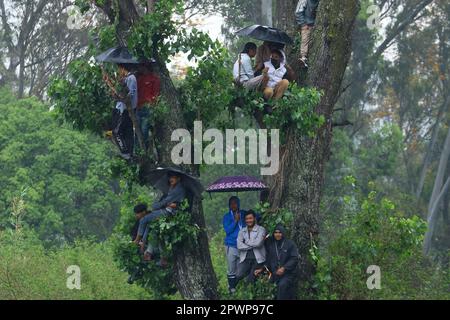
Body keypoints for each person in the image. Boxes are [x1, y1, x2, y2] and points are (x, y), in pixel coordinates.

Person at [133, 172, 186, 247]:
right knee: (149, 223)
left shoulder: (178, 189)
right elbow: (165, 202)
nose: (171, 179)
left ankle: (137, 240)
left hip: (170, 212)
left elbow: (165, 202)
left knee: (143, 220)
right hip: (167, 209)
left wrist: (153, 207)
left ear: (178, 178)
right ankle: (143, 243)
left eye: (173, 177)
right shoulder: (172, 187)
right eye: (170, 177)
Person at [256, 225, 299, 300]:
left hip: (288, 274)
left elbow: (294, 258)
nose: (277, 234)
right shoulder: (272, 245)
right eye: (275, 232)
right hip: (275, 274)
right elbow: (269, 260)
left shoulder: (290, 244)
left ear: (283, 233)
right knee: (265, 286)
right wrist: (262, 269)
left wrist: (284, 268)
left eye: (280, 232)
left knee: (282, 286)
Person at [109, 63, 138, 160]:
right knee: (127, 131)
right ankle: (129, 152)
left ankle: (125, 152)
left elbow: (130, 93)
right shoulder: (126, 78)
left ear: (122, 68)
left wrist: (120, 96)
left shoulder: (131, 78)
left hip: (126, 109)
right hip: (124, 108)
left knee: (117, 132)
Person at [223, 196, 247, 294]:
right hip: (231, 245)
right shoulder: (227, 216)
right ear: (229, 205)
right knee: (231, 269)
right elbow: (228, 230)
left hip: (243, 246)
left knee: (240, 271)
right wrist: (236, 221)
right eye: (231, 203)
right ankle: (232, 290)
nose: (233, 205)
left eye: (235, 203)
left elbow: (253, 217)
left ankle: (232, 285)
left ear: (238, 204)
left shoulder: (244, 213)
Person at [236, 210, 266, 284]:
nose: (249, 220)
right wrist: (252, 244)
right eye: (247, 219)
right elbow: (239, 245)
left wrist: (245, 242)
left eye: (250, 218)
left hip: (258, 259)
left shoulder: (261, 229)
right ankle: (249, 273)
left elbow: (258, 243)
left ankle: (252, 280)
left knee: (250, 281)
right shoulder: (242, 231)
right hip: (245, 258)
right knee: (238, 275)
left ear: (254, 218)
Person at [136, 61, 161, 151]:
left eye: (141, 67)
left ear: (145, 67)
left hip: (148, 108)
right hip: (138, 107)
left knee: (144, 130)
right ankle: (138, 151)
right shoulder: (140, 79)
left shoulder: (155, 79)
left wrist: (152, 106)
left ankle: (144, 151)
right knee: (137, 131)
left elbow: (156, 94)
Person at [295, 0, 320, 68]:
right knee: (305, 40)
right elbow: (298, 12)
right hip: (307, 25)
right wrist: (303, 24)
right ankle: (303, 58)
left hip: (316, 25)